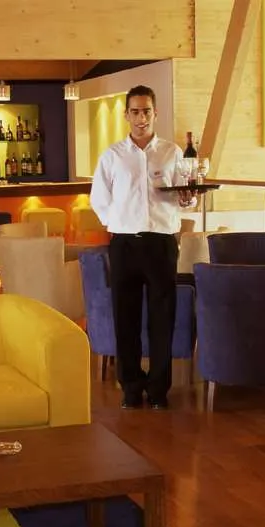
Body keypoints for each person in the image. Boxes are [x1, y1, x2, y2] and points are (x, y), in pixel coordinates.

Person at [89, 85, 194, 409]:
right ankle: (131, 389)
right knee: (126, 319)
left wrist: (187, 200)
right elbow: (99, 199)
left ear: (155, 113)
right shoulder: (112, 156)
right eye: (135, 111)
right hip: (124, 245)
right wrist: (119, 221)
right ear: (126, 115)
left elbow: (185, 197)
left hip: (161, 243)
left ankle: (159, 390)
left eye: (146, 111)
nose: (141, 118)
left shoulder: (172, 153)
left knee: (163, 319)